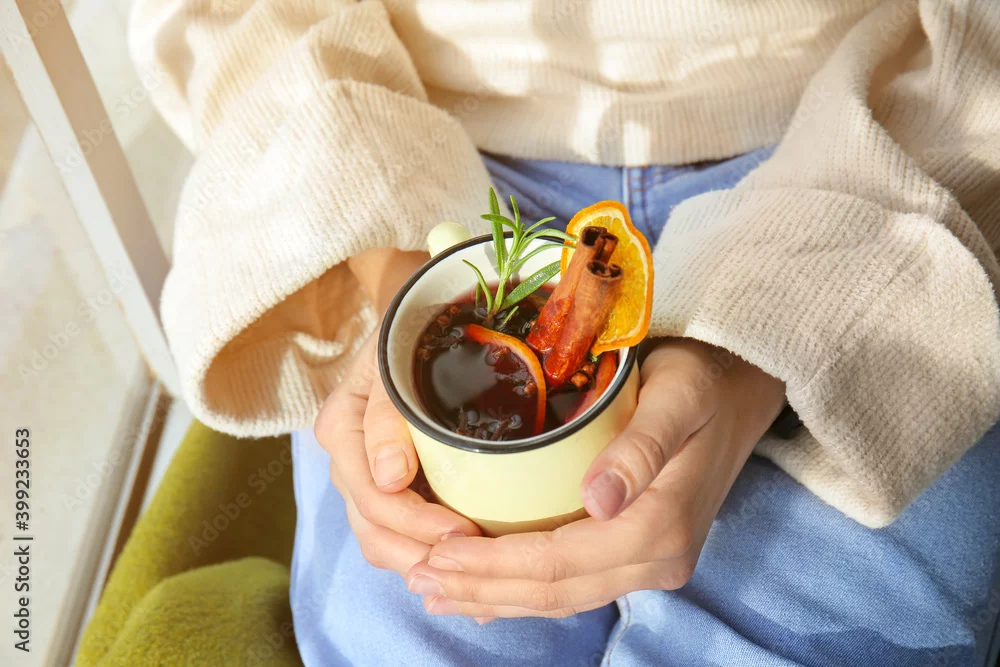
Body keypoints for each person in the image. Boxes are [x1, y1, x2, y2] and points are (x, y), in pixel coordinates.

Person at [130, 0, 1000, 664]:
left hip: (873, 153)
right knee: (402, 637)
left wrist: (771, 334)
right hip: (425, 156)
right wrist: (400, 271)